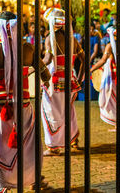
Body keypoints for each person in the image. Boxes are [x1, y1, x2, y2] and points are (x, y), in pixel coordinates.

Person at [0, 11, 51, 192]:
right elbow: (45, 74)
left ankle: (2, 185)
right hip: (23, 108)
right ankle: (29, 178)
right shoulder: (27, 48)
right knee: (25, 148)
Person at [41, 8, 85, 156]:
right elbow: (84, 60)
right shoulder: (73, 39)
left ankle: (54, 146)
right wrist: (79, 78)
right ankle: (73, 140)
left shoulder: (50, 39)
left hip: (55, 82)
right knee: (68, 110)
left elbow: (47, 60)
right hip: (71, 80)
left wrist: (32, 66)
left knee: (50, 111)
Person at [90, 25, 120, 130]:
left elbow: (103, 60)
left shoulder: (110, 46)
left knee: (115, 101)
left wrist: (90, 70)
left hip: (115, 78)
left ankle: (118, 125)